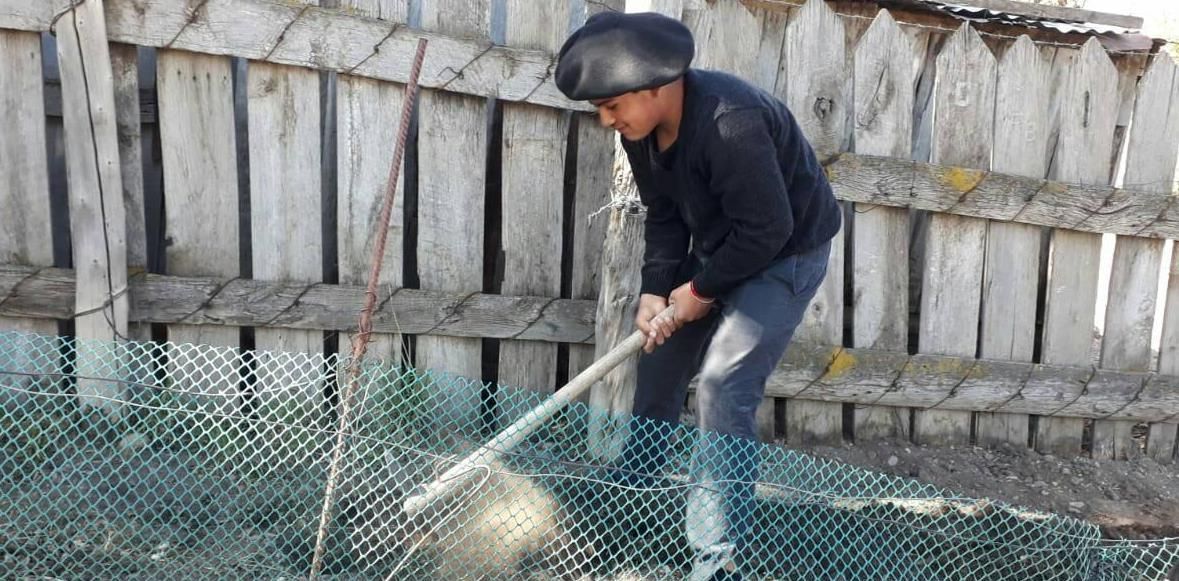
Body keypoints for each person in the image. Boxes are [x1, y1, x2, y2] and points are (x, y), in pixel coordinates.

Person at [555, 10, 842, 581]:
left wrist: (701, 292)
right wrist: (655, 291)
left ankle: (717, 557)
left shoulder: (729, 123)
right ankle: (632, 501)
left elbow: (768, 229)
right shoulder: (639, 133)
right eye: (600, 110)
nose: (607, 120)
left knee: (723, 385)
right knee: (660, 357)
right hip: (722, 244)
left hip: (785, 252)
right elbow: (664, 214)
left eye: (612, 106)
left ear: (656, 87)